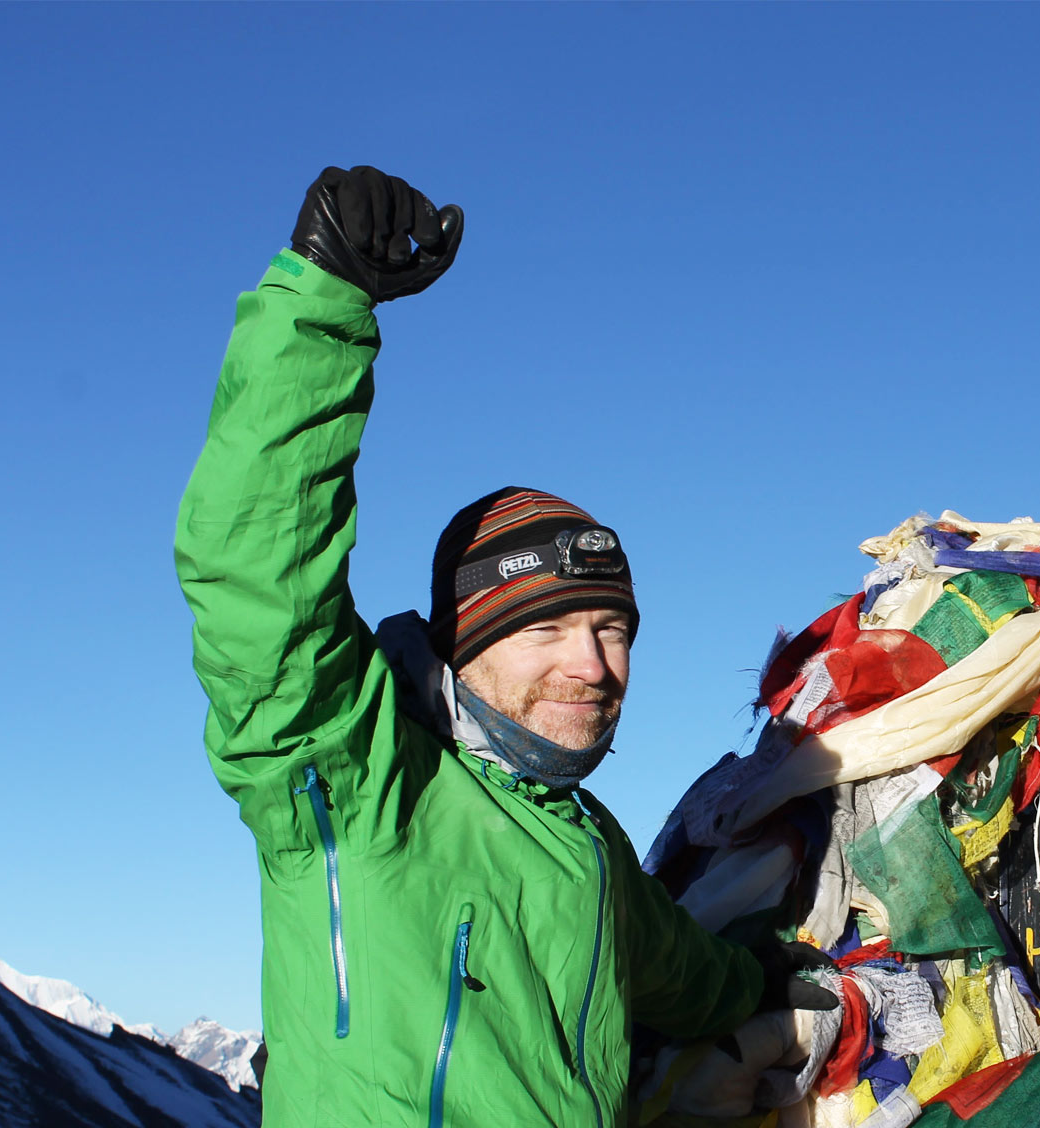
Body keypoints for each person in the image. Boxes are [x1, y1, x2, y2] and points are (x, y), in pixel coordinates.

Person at [175, 166, 832, 1127]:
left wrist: (763, 979)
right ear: (465, 645)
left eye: (613, 630)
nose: (593, 665)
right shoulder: (356, 779)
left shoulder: (589, 846)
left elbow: (683, 977)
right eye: (547, 627)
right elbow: (251, 573)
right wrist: (322, 297)